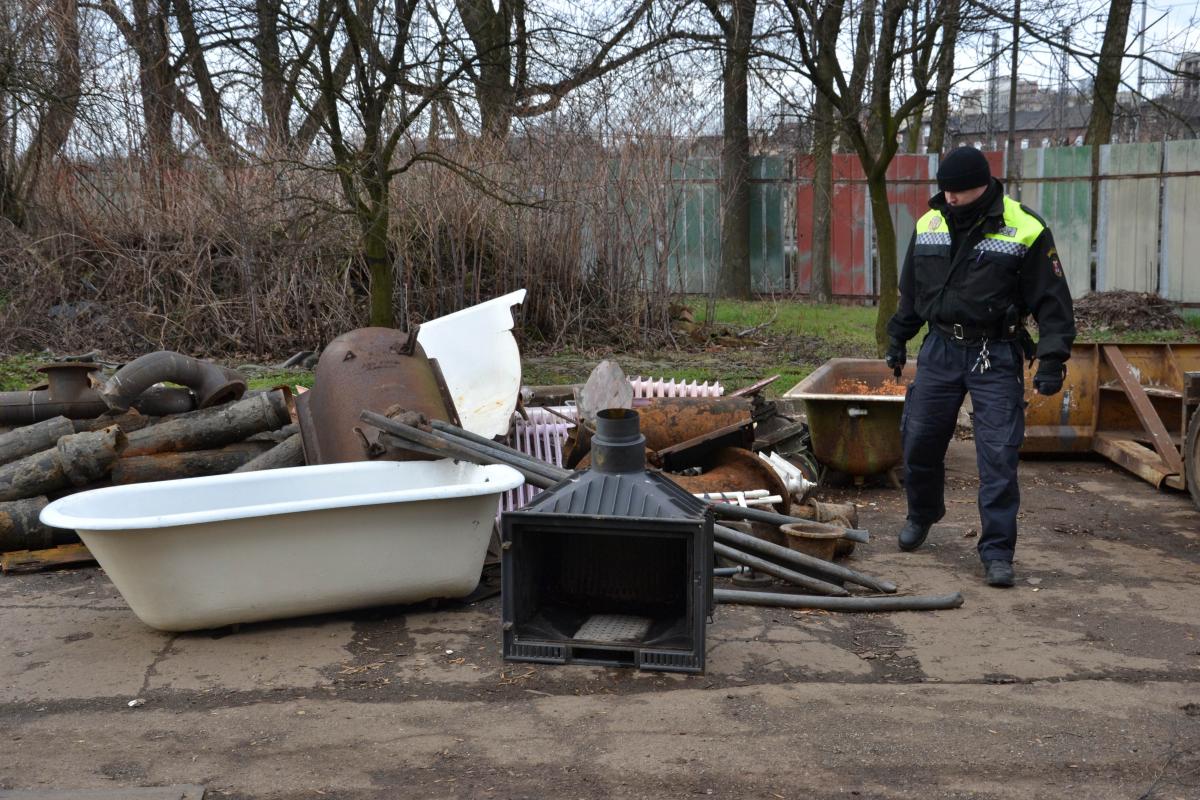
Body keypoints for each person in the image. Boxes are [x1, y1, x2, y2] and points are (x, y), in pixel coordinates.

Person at [884, 146, 1076, 587]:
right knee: (919, 440)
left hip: (995, 351)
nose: (950, 199)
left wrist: (1052, 359)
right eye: (945, 191)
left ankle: (996, 551)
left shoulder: (1024, 227)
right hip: (939, 349)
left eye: (959, 191)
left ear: (984, 185)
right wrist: (898, 337)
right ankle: (923, 513)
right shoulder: (929, 224)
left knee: (998, 455)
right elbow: (913, 293)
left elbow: (1053, 301)